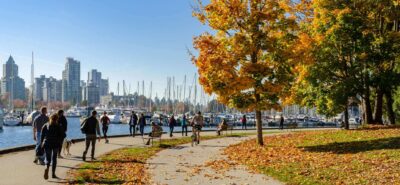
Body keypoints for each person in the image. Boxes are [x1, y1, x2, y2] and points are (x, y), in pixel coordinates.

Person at [40, 113, 63, 179]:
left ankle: (46, 168)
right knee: (54, 159)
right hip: (55, 144)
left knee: (48, 158)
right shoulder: (59, 126)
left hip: (47, 143)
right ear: (57, 119)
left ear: (50, 118)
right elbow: (63, 135)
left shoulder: (46, 125)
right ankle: (53, 174)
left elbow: (42, 135)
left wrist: (42, 143)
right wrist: (59, 140)